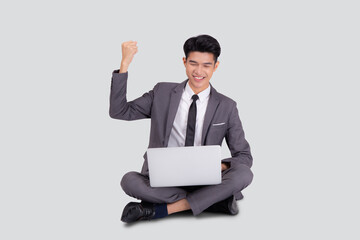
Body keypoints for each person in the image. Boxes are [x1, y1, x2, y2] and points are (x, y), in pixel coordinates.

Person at [109, 35, 253, 223]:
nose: (198, 71)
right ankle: (215, 201)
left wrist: (220, 166)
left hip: (206, 180)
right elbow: (120, 112)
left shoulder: (227, 106)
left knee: (244, 174)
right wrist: (124, 65)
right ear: (184, 62)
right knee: (129, 180)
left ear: (215, 66)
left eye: (206, 65)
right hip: (164, 178)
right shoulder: (161, 93)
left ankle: (162, 210)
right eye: (193, 63)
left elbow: (244, 156)